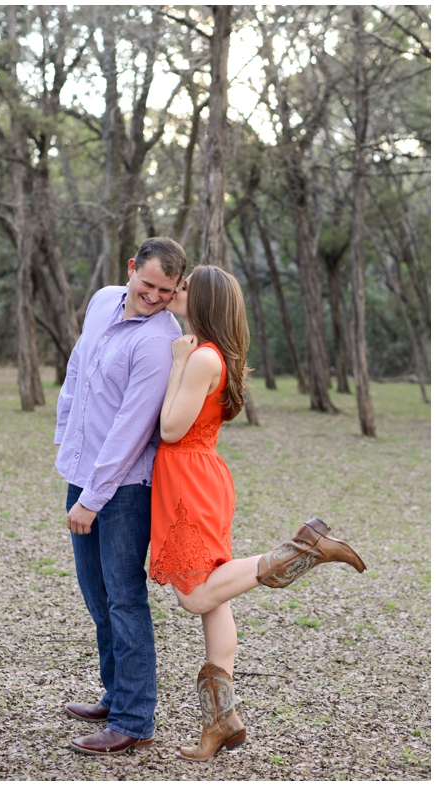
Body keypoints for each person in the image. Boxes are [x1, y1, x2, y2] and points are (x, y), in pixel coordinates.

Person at [149, 265, 366, 762]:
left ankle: (300, 550)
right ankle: (220, 723)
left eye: (183, 288)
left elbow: (169, 429)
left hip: (188, 482)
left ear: (202, 302)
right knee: (213, 599)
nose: (175, 292)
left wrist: (178, 363)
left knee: (194, 596)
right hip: (199, 478)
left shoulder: (202, 357)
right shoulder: (217, 354)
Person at [54, 237, 186, 756]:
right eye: (148, 284)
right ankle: (115, 694)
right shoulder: (103, 299)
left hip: (124, 487)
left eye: (166, 290)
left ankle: (134, 718)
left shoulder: (158, 339)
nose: (154, 296)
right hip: (83, 471)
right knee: (95, 594)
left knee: (125, 598)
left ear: (177, 289)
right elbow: (77, 369)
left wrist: (93, 498)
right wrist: (65, 437)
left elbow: (133, 429)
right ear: (132, 270)